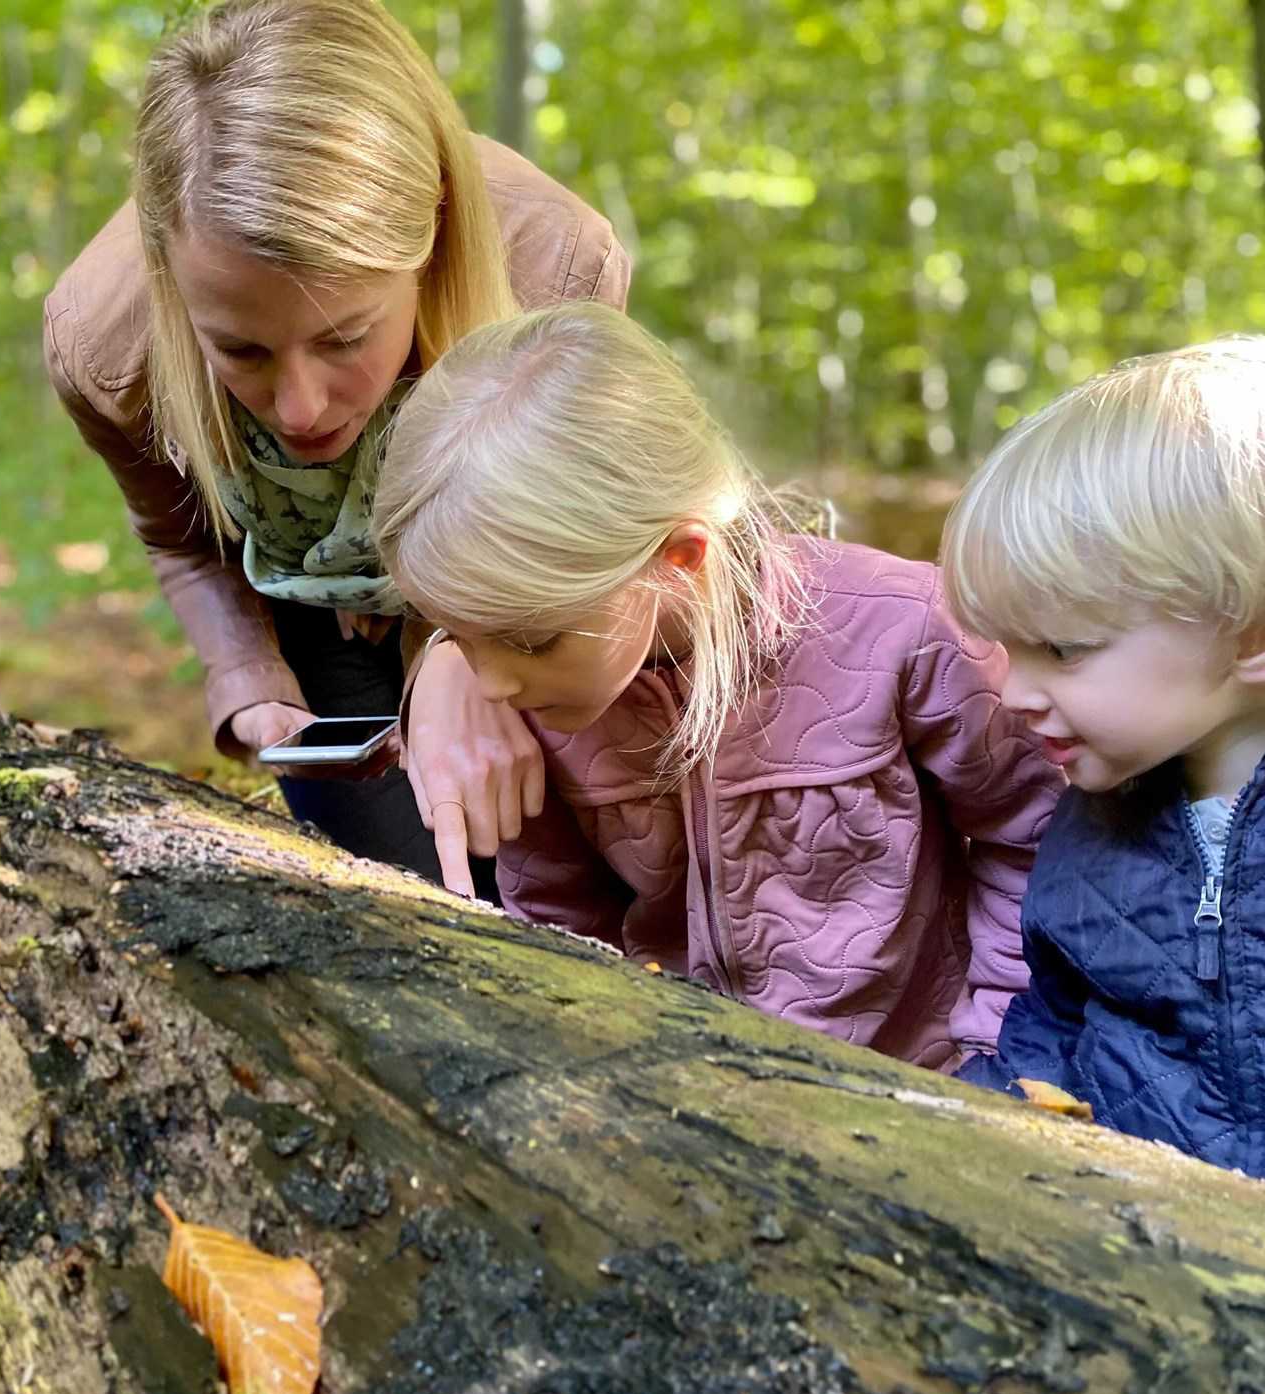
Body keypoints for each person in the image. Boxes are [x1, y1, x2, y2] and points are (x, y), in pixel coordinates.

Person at [371, 302, 1064, 1070]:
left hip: (927, 1078)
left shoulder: (906, 630)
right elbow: (558, 916)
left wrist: (992, 1050)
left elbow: (1034, 839)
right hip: (686, 1084)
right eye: (458, 636)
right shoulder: (540, 701)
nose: (492, 682)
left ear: (679, 559)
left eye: (531, 639)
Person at [43, 0, 629, 899]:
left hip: (515, 572)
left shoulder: (554, 268)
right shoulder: (104, 349)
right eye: (241, 350)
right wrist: (247, 678)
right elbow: (179, 540)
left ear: (431, 241)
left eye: (345, 337)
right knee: (401, 896)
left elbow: (585, 521)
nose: (300, 408)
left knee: (573, 885)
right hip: (305, 591)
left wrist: (461, 643)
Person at [939, 336, 1265, 1220]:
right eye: (1007, 649)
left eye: (1062, 649)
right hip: (1139, 1254)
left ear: (1262, 634)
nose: (1014, 691)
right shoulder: (1094, 815)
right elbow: (1057, 1023)